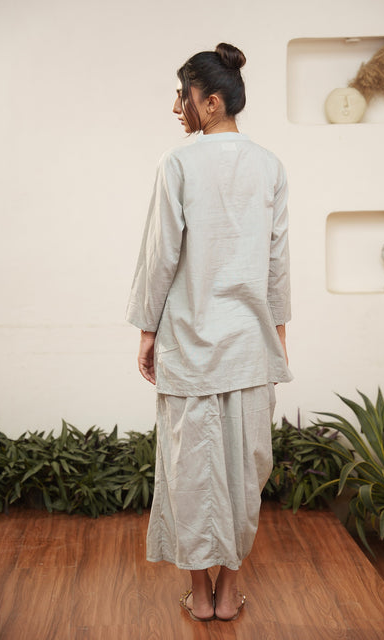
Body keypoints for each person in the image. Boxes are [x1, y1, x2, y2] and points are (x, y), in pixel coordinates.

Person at [125, 42, 292, 622]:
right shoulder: (270, 166)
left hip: (189, 343)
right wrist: (278, 335)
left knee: (190, 472)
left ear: (212, 101)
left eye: (184, 96)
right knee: (246, 471)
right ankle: (228, 591)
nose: (178, 107)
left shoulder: (177, 164)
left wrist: (146, 330)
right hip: (250, 346)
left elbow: (160, 257)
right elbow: (277, 262)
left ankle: (199, 594)